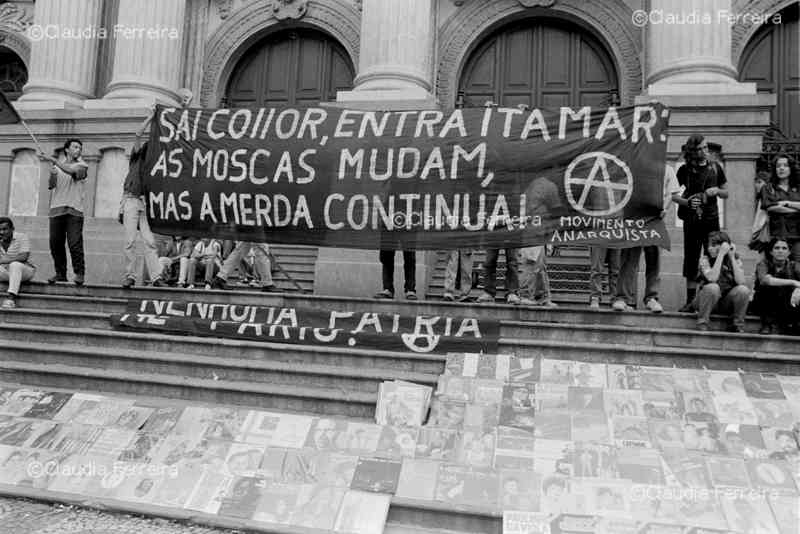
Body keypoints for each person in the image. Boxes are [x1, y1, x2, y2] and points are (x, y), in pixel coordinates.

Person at [613, 165, 681, 313]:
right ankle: (622, 298)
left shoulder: (667, 169)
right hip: (635, 217)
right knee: (629, 258)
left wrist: (665, 208)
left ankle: (651, 298)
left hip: (654, 219)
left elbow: (671, 192)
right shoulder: (635, 166)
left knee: (653, 259)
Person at [674, 135, 728, 311]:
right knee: (691, 258)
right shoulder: (684, 170)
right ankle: (690, 302)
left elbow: (727, 192)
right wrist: (687, 202)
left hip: (711, 219)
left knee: (713, 255)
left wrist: (717, 190)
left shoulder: (716, 167)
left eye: (706, 148)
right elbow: (673, 195)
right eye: (701, 148)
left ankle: (709, 299)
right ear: (693, 150)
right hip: (691, 219)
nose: (705, 151)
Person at [119, 109, 165, 288]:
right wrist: (150, 118)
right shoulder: (136, 159)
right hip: (131, 200)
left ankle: (156, 277)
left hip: (145, 205)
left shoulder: (154, 168)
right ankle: (130, 275)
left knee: (150, 241)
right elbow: (138, 134)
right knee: (130, 241)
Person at [39, 138, 89, 286]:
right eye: (75, 147)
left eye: (80, 148)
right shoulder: (58, 165)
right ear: (67, 149)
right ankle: (60, 274)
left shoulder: (82, 165)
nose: (78, 150)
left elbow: (72, 171)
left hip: (74, 211)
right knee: (55, 244)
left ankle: (79, 273)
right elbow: (51, 186)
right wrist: (53, 174)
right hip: (56, 209)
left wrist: (53, 160)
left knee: (74, 244)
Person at [691, 231, 750, 332]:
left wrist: (731, 257)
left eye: (713, 245)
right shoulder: (704, 260)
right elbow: (712, 278)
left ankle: (737, 324)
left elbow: (741, 281)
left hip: (724, 303)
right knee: (713, 287)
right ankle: (703, 322)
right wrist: (721, 255)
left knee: (743, 290)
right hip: (704, 301)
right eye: (709, 245)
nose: (710, 248)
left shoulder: (735, 259)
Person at [751, 237, 800, 335]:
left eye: (784, 248)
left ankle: (793, 324)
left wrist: (798, 290)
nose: (780, 251)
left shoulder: (794, 266)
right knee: (768, 288)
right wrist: (794, 282)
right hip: (764, 303)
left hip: (786, 304)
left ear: (789, 252)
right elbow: (765, 280)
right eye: (777, 248)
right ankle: (767, 324)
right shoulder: (763, 264)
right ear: (771, 252)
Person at [761, 153, 800, 260]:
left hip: (797, 235)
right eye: (778, 166)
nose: (781, 168)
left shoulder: (798, 187)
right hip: (775, 235)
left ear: (791, 168)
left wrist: (787, 203)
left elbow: (777, 206)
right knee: (773, 267)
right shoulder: (768, 188)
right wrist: (797, 209)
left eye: (785, 165)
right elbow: (770, 207)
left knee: (798, 267)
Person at [210, 241, 276, 292]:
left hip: (249, 226)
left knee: (240, 250)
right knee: (261, 250)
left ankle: (221, 277)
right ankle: (267, 283)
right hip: (254, 227)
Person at [0, 217, 35, 309]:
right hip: (6, 272)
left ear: (12, 229)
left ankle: (11, 299)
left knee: (15, 265)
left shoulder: (22, 237)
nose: (2, 232)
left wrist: (3, 261)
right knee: (12, 265)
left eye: (5, 229)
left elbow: (23, 257)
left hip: (25, 271)